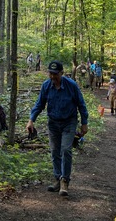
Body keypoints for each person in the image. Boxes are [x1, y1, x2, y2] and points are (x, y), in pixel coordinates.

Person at [26, 60, 89, 197]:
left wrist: (84, 123)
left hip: (69, 122)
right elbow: (39, 104)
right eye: (50, 73)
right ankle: (57, 179)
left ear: (61, 73)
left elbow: (81, 104)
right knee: (55, 151)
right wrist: (31, 120)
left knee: (65, 149)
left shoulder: (71, 86)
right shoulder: (46, 86)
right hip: (53, 123)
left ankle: (65, 181)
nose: (53, 76)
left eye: (55, 74)